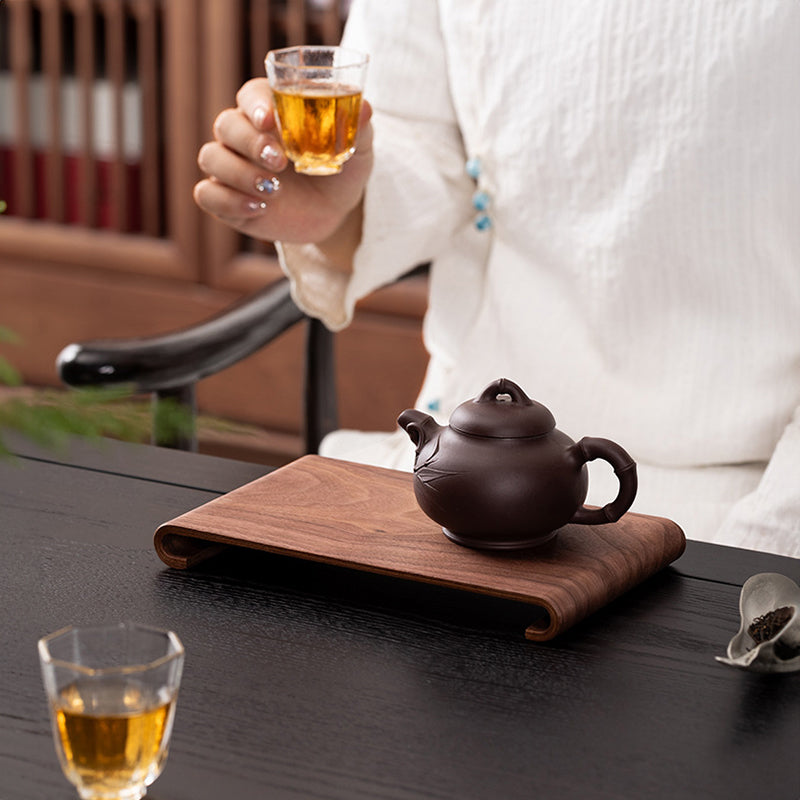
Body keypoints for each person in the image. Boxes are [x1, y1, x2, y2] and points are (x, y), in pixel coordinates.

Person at [194, 0, 800, 558]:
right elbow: (423, 137)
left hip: (739, 493)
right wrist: (340, 210)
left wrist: (759, 559)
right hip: (464, 477)